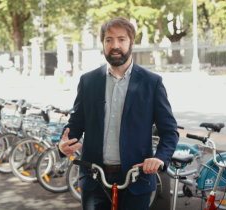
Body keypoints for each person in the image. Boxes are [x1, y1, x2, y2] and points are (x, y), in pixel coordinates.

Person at [58, 17, 179, 210]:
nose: (115, 45)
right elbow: (76, 123)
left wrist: (160, 158)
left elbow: (169, 131)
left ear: (132, 42)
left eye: (121, 39)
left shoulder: (152, 82)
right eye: (109, 40)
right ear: (103, 44)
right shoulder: (88, 81)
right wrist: (63, 144)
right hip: (94, 178)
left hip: (137, 178)